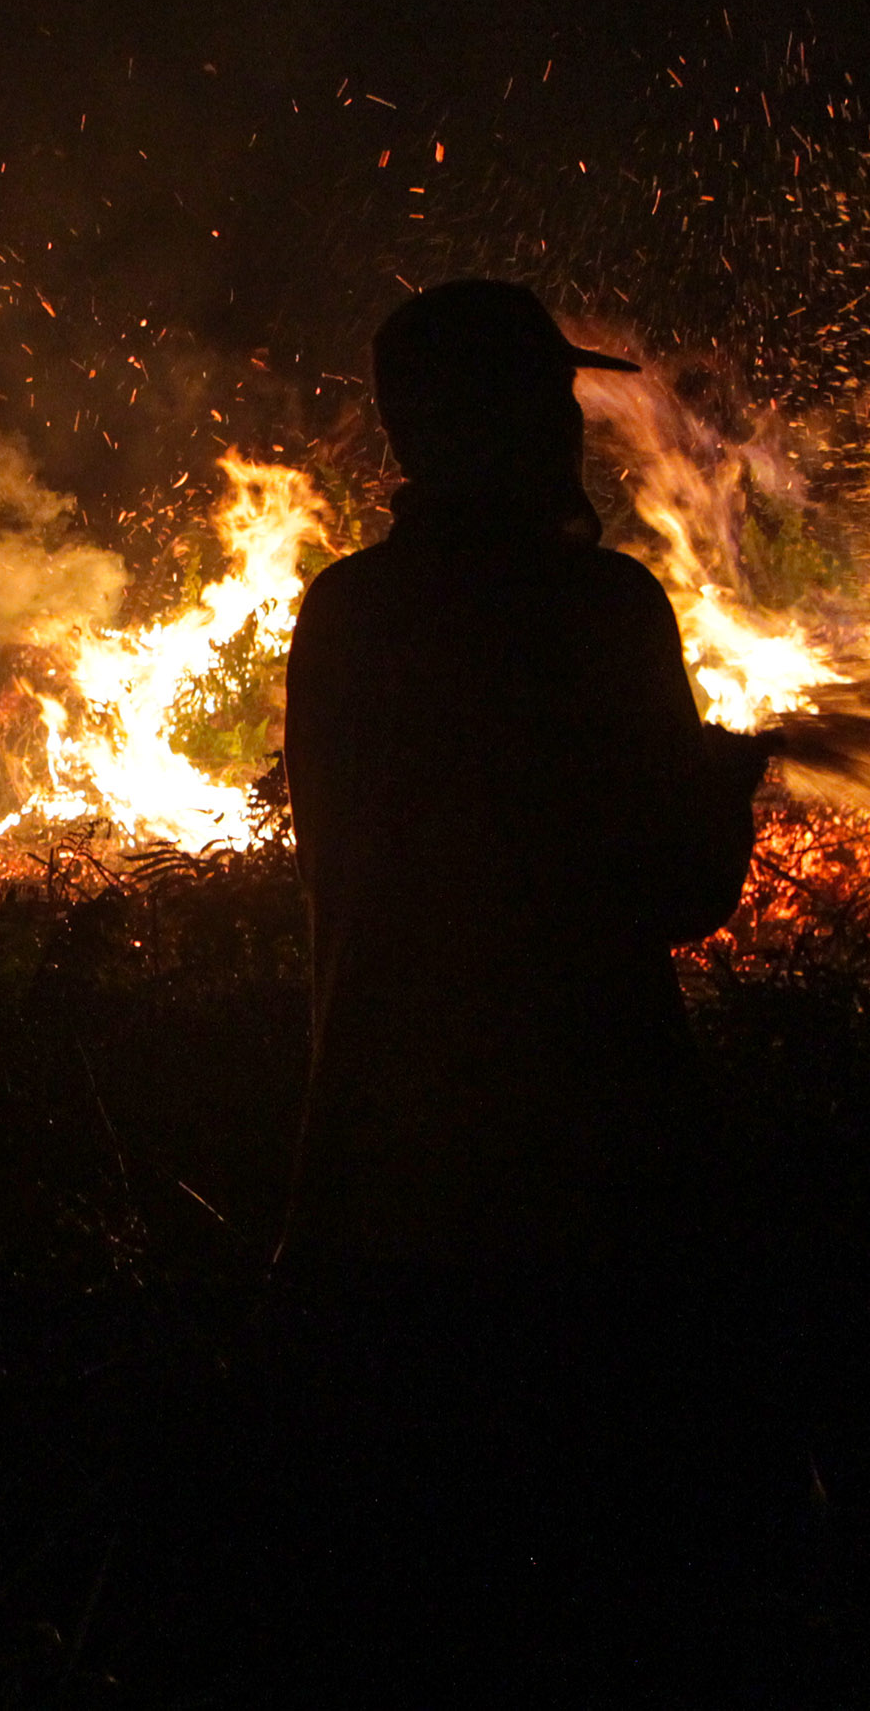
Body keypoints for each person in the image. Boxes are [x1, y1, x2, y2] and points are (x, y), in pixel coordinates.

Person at [279, 278, 767, 1290]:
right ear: (494, 420)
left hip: (379, 1170)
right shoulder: (596, 606)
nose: (570, 428)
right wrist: (720, 784)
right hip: (590, 1184)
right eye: (550, 402)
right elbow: (678, 889)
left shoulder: (343, 610)